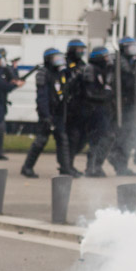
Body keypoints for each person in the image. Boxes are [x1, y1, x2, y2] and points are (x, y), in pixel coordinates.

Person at [21, 48, 77, 178]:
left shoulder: (60, 74)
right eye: (55, 59)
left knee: (62, 139)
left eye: (60, 58)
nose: (59, 61)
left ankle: (65, 168)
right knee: (41, 141)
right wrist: (46, 116)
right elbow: (42, 97)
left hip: (58, 113)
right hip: (47, 113)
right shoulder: (43, 73)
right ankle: (27, 167)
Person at [73, 46, 117, 178]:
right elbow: (90, 93)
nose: (107, 60)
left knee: (107, 137)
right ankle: (91, 167)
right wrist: (107, 94)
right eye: (105, 57)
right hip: (92, 111)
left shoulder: (103, 70)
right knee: (95, 139)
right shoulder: (90, 69)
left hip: (102, 111)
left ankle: (96, 165)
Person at [105, 36, 136, 178]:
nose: (133, 51)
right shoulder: (118, 63)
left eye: (134, 47)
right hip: (119, 106)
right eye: (130, 48)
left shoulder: (132, 63)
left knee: (128, 136)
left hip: (129, 105)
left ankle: (122, 165)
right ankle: (118, 162)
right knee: (122, 136)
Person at [0, 49, 21, 161]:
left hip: (0, 103)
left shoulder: (1, 71)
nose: (3, 61)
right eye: (0, 60)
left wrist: (14, 69)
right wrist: (15, 85)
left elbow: (12, 79)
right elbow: (5, 86)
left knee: (0, 129)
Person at [62, 38, 90, 167]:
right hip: (69, 107)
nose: (81, 52)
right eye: (79, 50)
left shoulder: (83, 64)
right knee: (72, 137)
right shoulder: (65, 64)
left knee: (82, 138)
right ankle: (68, 165)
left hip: (81, 106)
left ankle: (68, 163)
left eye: (82, 50)